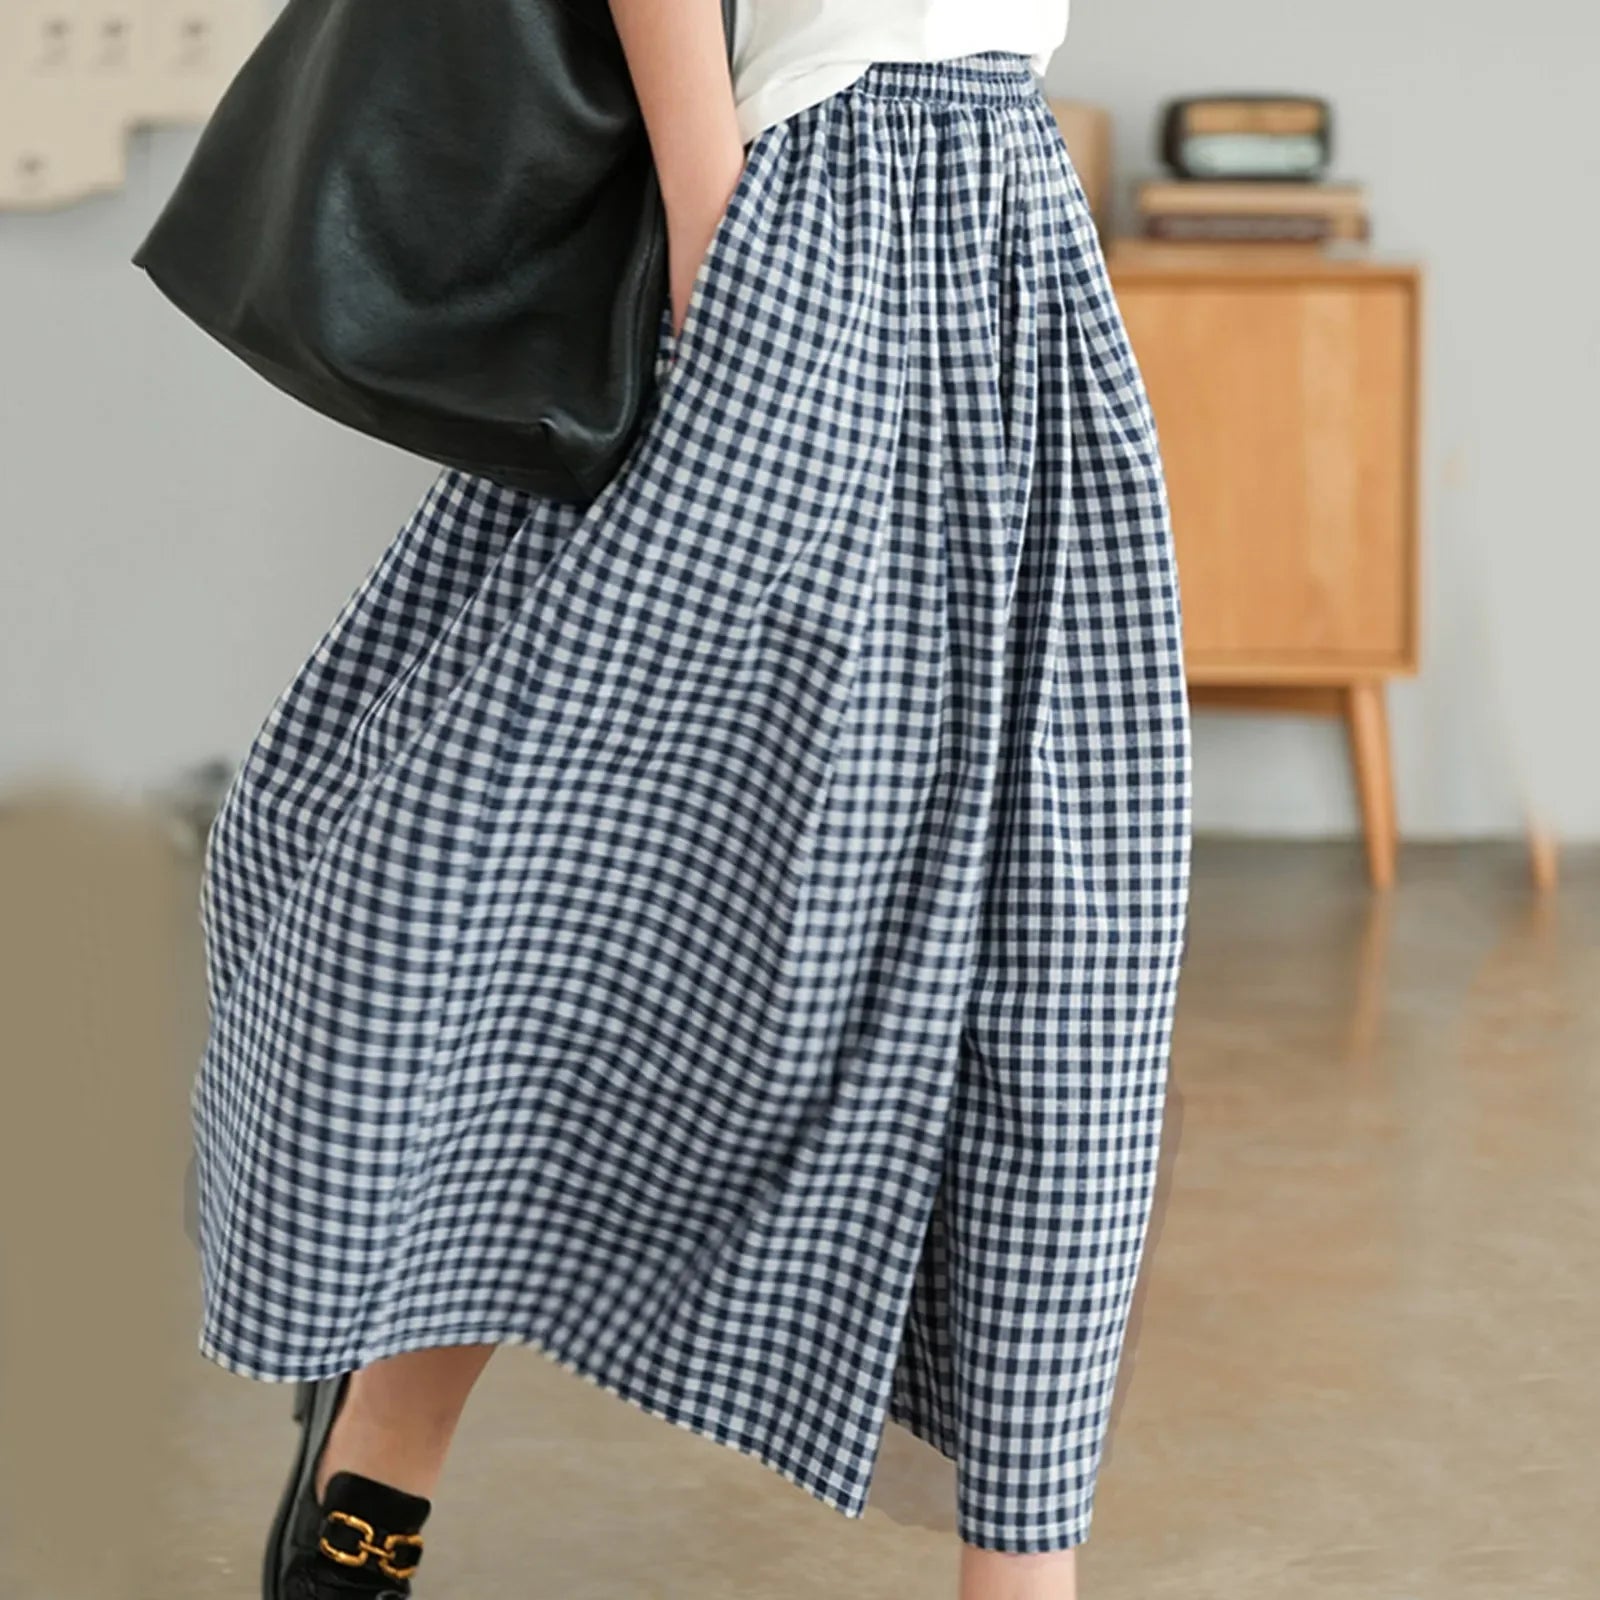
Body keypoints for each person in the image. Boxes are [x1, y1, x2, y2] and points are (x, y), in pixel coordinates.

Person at [194, 3, 1192, 1597]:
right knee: (539, 883)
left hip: (1012, 236)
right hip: (800, 224)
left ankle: (1023, 1578)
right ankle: (375, 1471)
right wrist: (713, 217)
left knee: (1051, 940)